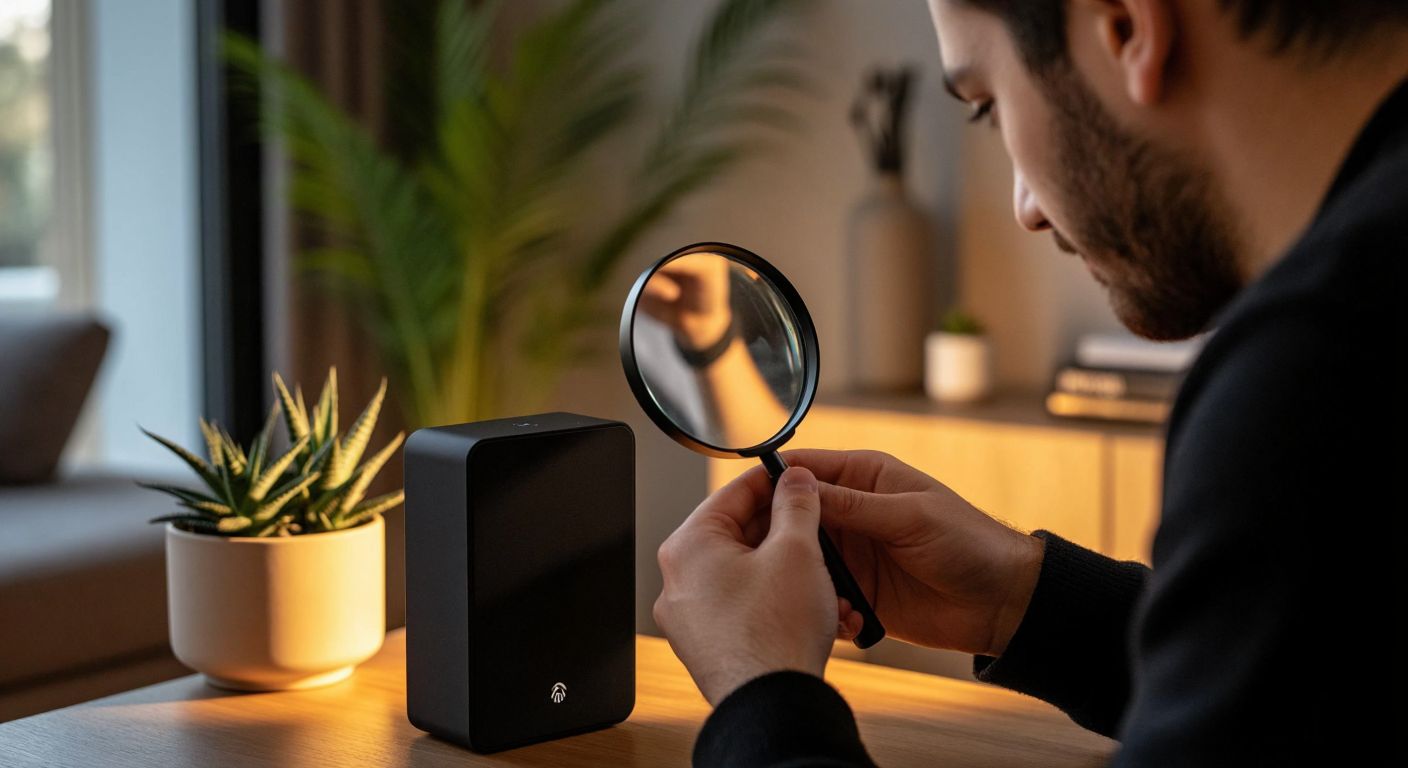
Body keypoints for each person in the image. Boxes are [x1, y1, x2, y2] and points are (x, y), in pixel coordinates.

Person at [649, 1, 1408, 765]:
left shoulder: (1316, 374)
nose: (1026, 209)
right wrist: (1023, 601)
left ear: (1125, 27)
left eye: (984, 106)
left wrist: (761, 697)